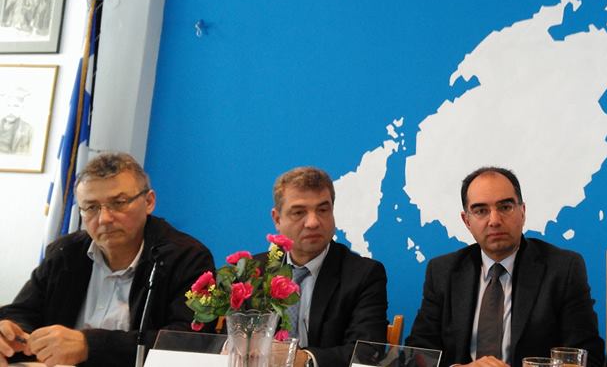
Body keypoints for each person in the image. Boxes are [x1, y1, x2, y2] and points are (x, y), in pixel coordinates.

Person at [0, 152, 214, 367]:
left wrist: (89, 346)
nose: (104, 219)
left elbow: (190, 341)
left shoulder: (187, 258)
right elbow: (21, 313)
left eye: (119, 203)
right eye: (91, 207)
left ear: (149, 202)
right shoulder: (65, 252)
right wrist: (10, 331)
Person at [406, 167, 604, 367]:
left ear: (522, 212)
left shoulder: (562, 269)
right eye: (481, 211)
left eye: (505, 207)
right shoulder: (443, 271)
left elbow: (588, 358)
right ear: (467, 221)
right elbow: (417, 356)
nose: (494, 221)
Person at [259, 166, 387, 367]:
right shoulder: (254, 272)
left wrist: (305, 360)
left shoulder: (363, 275)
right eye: (299, 212)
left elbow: (366, 351)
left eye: (322, 210)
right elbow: (232, 337)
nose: (313, 222)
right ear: (277, 219)